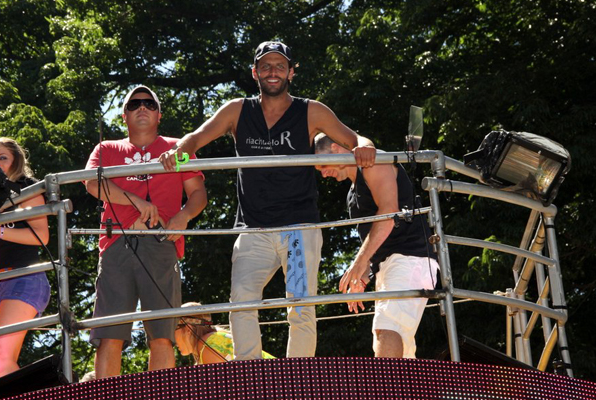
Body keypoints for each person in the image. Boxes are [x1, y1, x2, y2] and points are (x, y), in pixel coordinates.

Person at [159, 41, 376, 360]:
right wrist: (178, 152)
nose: (272, 72)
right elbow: (195, 138)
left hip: (298, 229)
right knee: (241, 304)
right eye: (265, 66)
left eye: (279, 65)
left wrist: (366, 147)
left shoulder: (310, 110)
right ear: (254, 72)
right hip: (253, 230)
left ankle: (296, 380)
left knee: (301, 307)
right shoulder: (237, 110)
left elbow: (355, 138)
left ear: (291, 72)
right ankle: (249, 378)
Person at [85, 85, 207, 378]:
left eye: (149, 104)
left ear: (159, 114)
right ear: (124, 116)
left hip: (161, 243)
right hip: (116, 244)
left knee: (162, 334)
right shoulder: (106, 148)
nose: (142, 107)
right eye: (135, 104)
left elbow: (198, 192)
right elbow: (91, 182)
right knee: (109, 334)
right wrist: (136, 201)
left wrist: (183, 217)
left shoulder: (177, 147)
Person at [314, 133, 439, 358]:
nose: (323, 174)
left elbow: (388, 214)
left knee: (387, 328)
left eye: (323, 165)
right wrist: (364, 275)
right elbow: (377, 241)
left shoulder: (373, 163)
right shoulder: (352, 194)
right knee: (397, 342)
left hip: (411, 258)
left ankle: (385, 393)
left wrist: (358, 264)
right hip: (392, 265)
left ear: (336, 148)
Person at [0, 137, 51, 380]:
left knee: (0, 357)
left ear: (16, 161)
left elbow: (42, 236)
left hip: (25, 277)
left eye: (3, 158)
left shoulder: (25, 189)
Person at [175, 302, 275, 364]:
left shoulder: (207, 346)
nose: (172, 338)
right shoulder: (212, 340)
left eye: (173, 329)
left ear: (188, 329)